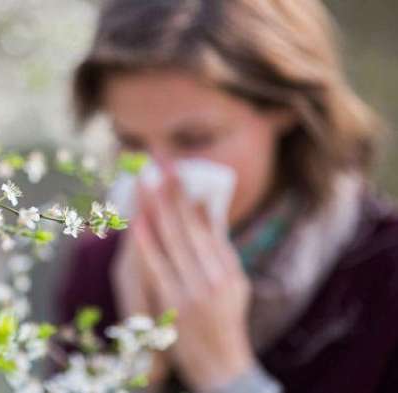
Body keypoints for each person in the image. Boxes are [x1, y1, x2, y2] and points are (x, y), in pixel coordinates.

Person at [55, 1, 398, 392]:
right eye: (131, 143)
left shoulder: (382, 278)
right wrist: (137, 372)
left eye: (194, 140)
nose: (158, 179)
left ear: (285, 107)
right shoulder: (101, 266)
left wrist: (227, 374)